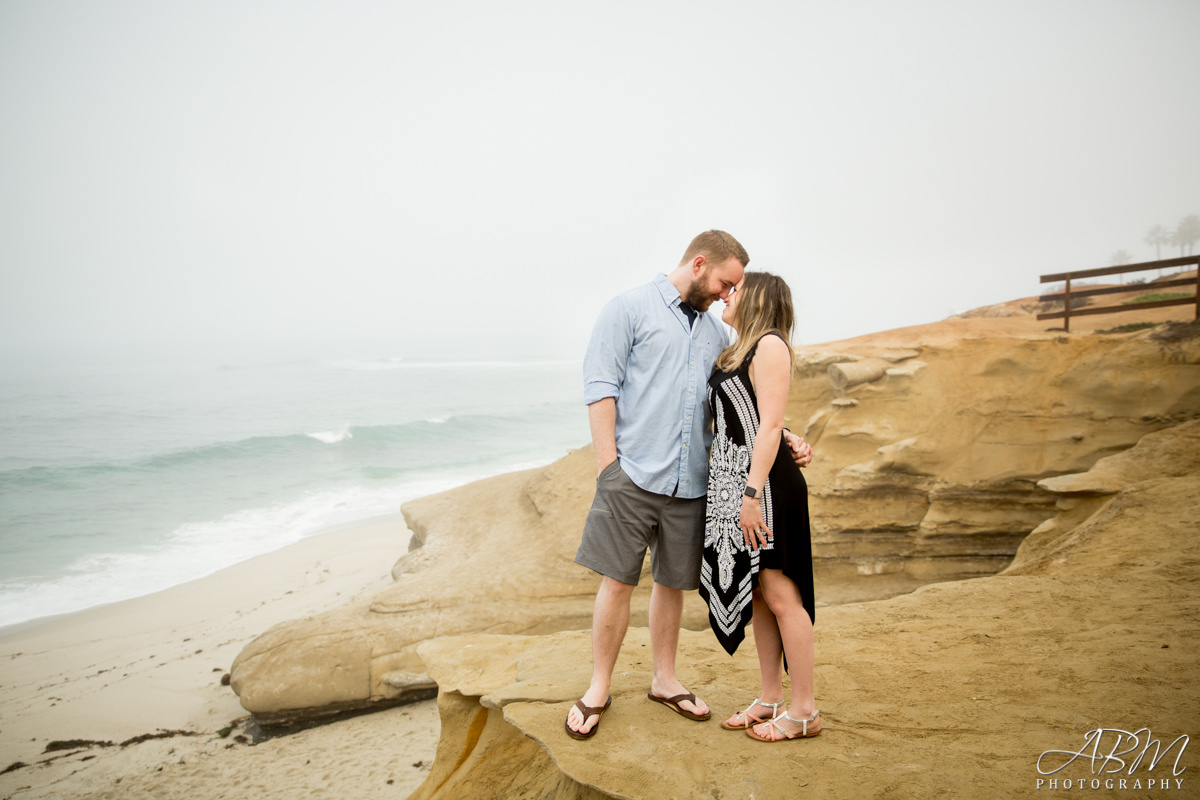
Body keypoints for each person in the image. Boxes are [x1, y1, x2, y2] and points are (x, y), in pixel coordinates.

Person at [565, 232, 812, 740]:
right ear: (699, 264)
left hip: (694, 481)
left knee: (672, 584)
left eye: (735, 289)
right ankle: (597, 689)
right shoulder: (628, 308)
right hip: (631, 474)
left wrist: (784, 434)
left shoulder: (717, 335)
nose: (728, 294)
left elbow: (740, 405)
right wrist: (609, 468)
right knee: (617, 581)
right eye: (725, 282)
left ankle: (665, 681)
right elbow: (599, 387)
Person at [698, 271, 820, 742]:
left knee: (783, 596)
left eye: (737, 289)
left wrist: (749, 497)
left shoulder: (770, 344)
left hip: (763, 489)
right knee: (761, 597)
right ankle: (771, 698)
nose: (728, 295)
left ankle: (804, 710)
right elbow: (746, 419)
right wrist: (788, 437)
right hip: (739, 485)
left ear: (760, 299)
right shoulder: (737, 350)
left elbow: (769, 426)